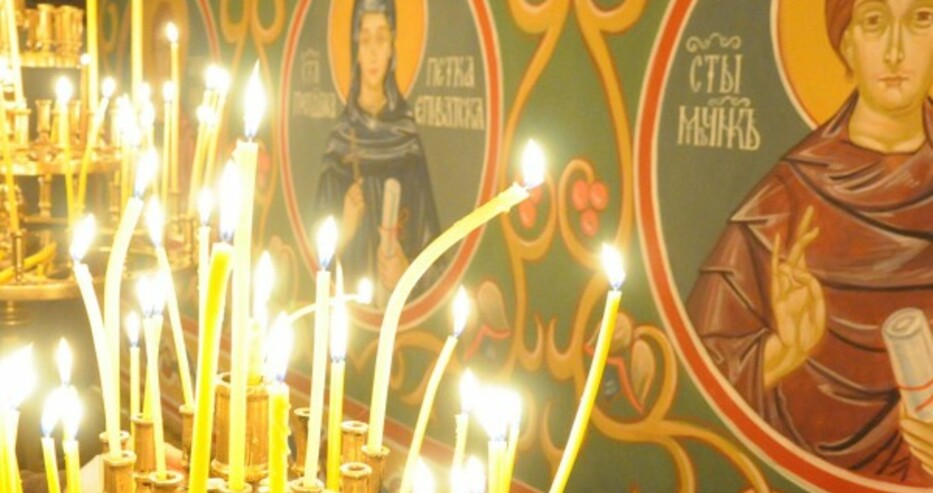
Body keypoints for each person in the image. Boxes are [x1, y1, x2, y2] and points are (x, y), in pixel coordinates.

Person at [686, 0, 933, 484]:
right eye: (874, 21)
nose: (896, 50)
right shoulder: (786, 200)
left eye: (922, 19)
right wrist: (783, 352)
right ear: (847, 44)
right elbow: (698, 370)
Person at [313, 0, 442, 295]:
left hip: (395, 304)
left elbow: (432, 249)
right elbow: (314, 256)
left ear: (392, 48)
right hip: (349, 304)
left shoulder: (407, 138)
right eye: (365, 39)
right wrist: (345, 228)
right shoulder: (340, 140)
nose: (373, 52)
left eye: (381, 39)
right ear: (355, 48)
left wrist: (407, 271)